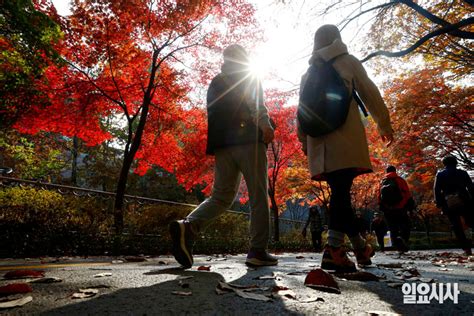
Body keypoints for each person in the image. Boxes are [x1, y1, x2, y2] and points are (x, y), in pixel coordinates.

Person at [169, 44, 277, 268]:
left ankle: (188, 226)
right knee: (258, 196)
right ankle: (258, 250)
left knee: (221, 196)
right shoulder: (248, 74)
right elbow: (257, 105)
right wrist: (266, 127)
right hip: (248, 140)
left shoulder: (216, 82)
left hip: (222, 145)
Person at [297, 25, 394, 273]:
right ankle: (333, 250)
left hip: (319, 145)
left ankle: (360, 248)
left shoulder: (307, 74)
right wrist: (384, 123)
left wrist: (303, 141)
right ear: (337, 39)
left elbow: (301, 113)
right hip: (345, 140)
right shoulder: (348, 62)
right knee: (341, 193)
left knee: (340, 193)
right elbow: (370, 92)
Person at [434, 155, 473, 256]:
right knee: (471, 222)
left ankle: (466, 249)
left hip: (449, 202)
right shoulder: (463, 173)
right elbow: (471, 187)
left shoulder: (440, 174)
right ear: (456, 163)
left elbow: (437, 190)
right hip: (465, 200)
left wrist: (439, 203)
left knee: (456, 225)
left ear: (444, 164)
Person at [378, 165, 413, 253]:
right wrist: (410, 207)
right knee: (405, 225)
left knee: (392, 228)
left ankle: (397, 245)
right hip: (401, 208)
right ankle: (402, 239)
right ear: (395, 171)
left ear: (386, 172)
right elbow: (407, 194)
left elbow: (379, 197)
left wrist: (382, 207)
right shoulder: (400, 180)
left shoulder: (382, 182)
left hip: (388, 210)